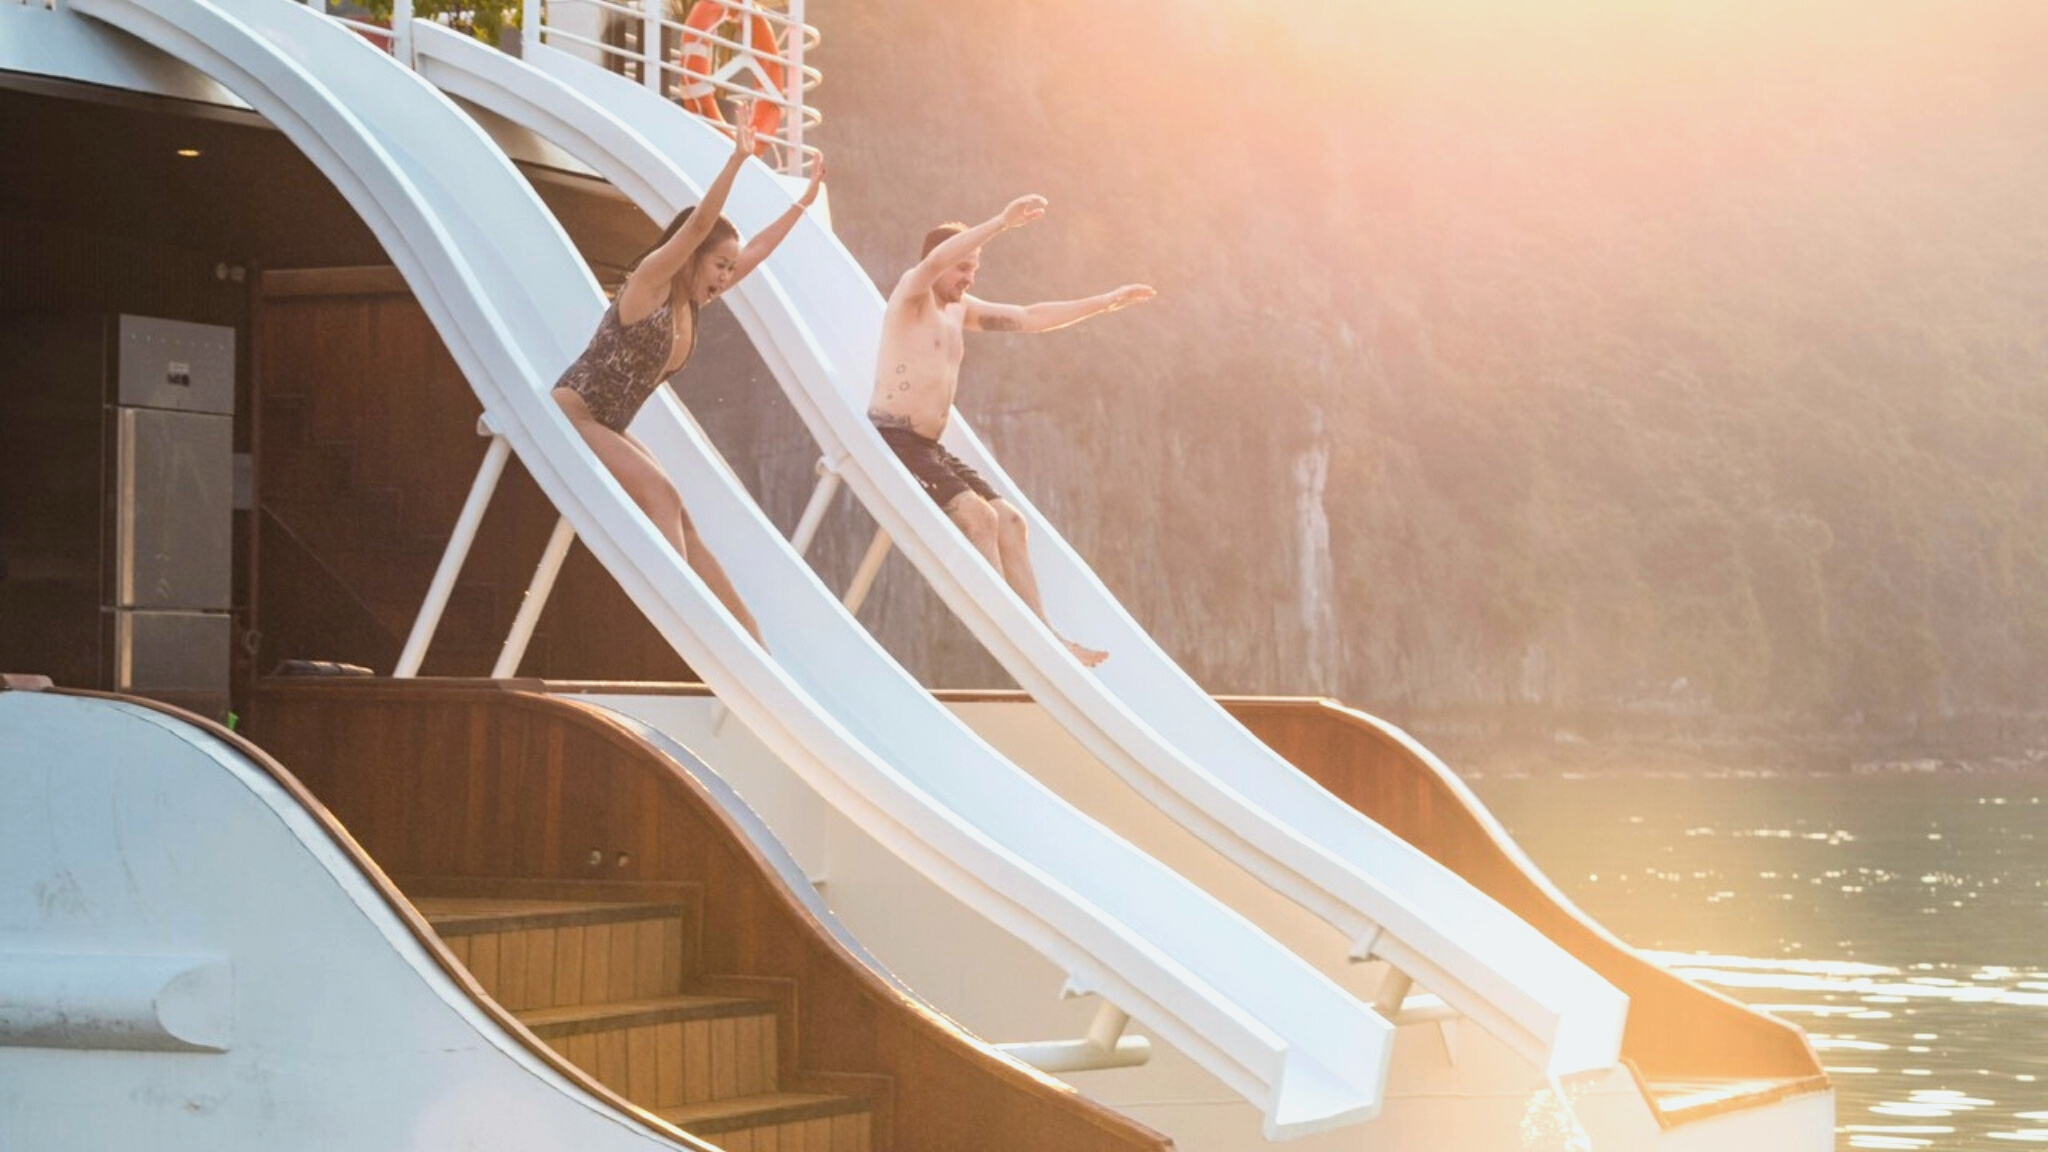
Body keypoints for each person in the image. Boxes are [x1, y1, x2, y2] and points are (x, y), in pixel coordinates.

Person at [553, 112, 822, 643]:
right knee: (660, 492)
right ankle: (683, 620)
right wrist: (737, 160)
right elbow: (700, 225)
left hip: (608, 422)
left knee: (682, 514)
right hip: (574, 410)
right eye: (719, 265)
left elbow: (758, 251)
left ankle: (750, 639)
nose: (726, 277)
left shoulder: (694, 302)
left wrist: (801, 206)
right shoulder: (651, 282)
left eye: (729, 268)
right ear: (693, 256)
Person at [869, 194, 1154, 667]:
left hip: (928, 448)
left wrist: (1105, 303)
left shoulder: (960, 310)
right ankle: (1015, 634)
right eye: (963, 268)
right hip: (894, 439)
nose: (968, 277)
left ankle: (1044, 637)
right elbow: (938, 258)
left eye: (975, 270)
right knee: (979, 520)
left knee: (1011, 521)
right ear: (937, 265)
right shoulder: (912, 296)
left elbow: (1030, 317)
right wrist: (1001, 222)